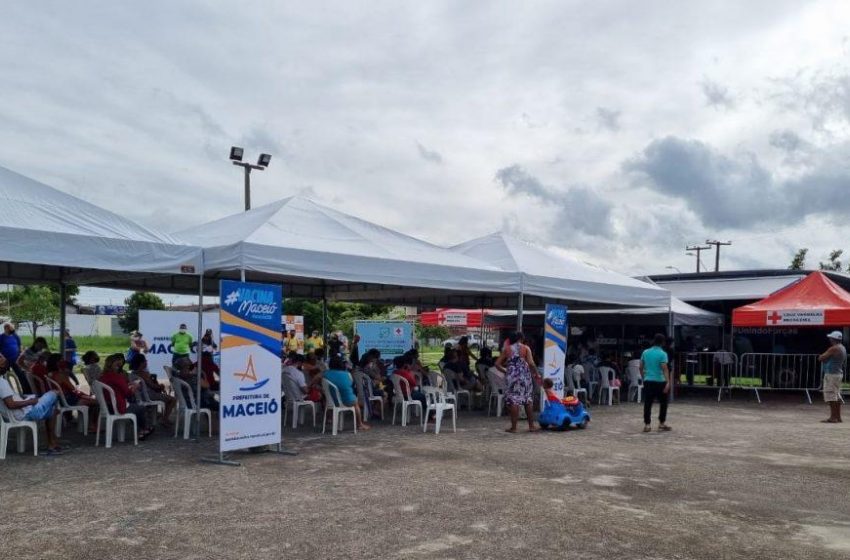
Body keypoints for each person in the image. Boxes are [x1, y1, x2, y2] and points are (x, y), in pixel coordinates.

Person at [0, 354, 64, 454]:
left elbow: (9, 401)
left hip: (16, 414)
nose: (4, 359)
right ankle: (52, 442)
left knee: (52, 411)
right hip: (26, 414)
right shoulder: (1, 382)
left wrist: (24, 398)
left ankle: (52, 444)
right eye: (1, 357)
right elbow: (11, 404)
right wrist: (30, 401)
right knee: (54, 393)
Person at [99, 353, 154, 440]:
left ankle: (143, 428)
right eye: (119, 365)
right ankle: (144, 429)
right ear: (117, 366)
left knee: (136, 407)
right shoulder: (117, 377)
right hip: (119, 407)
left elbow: (116, 389)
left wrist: (127, 385)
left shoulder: (102, 377)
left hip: (106, 407)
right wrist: (135, 386)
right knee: (141, 408)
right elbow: (128, 393)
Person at [495, 332, 541, 433]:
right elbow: (531, 363)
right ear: (521, 338)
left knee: (513, 400)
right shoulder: (526, 348)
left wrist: (506, 371)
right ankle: (531, 426)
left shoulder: (507, 349)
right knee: (527, 399)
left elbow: (497, 364)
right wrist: (537, 374)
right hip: (524, 375)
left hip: (512, 376)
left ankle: (514, 427)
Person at [47, 353, 98, 433]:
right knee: (97, 402)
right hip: (68, 400)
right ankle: (92, 425)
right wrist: (85, 396)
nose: (63, 361)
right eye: (61, 360)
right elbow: (73, 389)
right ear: (57, 363)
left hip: (59, 400)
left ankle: (86, 424)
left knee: (90, 400)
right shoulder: (61, 375)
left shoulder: (50, 374)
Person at [315, 355, 370, 430]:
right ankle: (359, 424)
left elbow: (315, 378)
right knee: (356, 404)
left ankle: (329, 418)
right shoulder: (347, 374)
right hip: (347, 400)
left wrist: (317, 386)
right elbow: (351, 384)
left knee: (325, 399)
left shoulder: (325, 373)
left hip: (332, 401)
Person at [128, 354, 175, 427]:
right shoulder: (143, 374)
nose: (146, 362)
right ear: (141, 363)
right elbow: (153, 386)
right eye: (145, 361)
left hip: (139, 396)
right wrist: (161, 386)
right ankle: (165, 419)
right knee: (172, 399)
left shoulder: (132, 374)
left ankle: (157, 416)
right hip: (148, 395)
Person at [640, 334, 672, 433]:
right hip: (660, 381)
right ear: (662, 342)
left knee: (648, 403)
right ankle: (661, 423)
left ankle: (647, 424)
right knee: (663, 403)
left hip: (648, 380)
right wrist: (668, 382)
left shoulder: (645, 352)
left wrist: (644, 377)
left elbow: (641, 367)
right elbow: (665, 369)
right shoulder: (663, 354)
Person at [818, 331, 846, 423]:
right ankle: (838, 417)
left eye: (831, 338)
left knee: (831, 396)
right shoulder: (842, 348)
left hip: (832, 374)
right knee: (836, 395)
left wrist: (823, 357)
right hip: (838, 373)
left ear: (833, 339)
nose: (829, 339)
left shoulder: (834, 348)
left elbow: (821, 358)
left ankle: (833, 417)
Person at [0, 323, 29, 393]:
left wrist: (21, 355)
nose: (13, 329)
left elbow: (19, 347)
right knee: (3, 378)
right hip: (5, 361)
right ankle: (5, 393)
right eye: (11, 328)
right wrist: (2, 357)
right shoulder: (1, 337)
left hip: (16, 360)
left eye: (13, 328)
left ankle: (27, 392)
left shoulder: (16, 336)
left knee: (21, 375)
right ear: (6, 328)